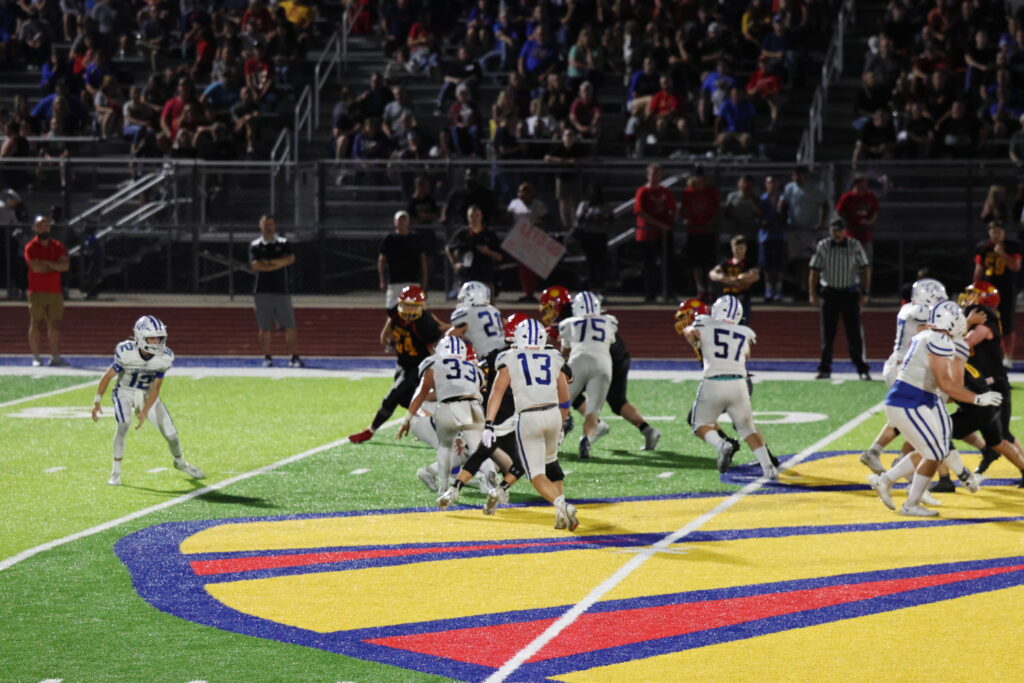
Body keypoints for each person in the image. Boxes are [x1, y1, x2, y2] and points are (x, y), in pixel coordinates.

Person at [867, 301, 996, 516]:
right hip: (909, 402)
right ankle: (910, 503)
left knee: (933, 450)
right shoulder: (940, 341)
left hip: (918, 400)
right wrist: (978, 399)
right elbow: (946, 385)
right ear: (950, 321)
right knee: (934, 452)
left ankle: (887, 481)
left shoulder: (928, 335)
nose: (962, 323)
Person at [484, 318, 579, 531]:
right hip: (553, 414)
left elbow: (496, 393)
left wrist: (488, 424)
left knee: (536, 474)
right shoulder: (554, 356)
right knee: (551, 464)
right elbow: (564, 396)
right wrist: (562, 423)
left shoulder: (509, 357)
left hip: (529, 417)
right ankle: (560, 512)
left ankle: (563, 506)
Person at [541, 286, 661, 451]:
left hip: (601, 357)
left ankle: (575, 424)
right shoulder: (598, 317)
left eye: (549, 307)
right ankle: (647, 429)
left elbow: (567, 346)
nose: (547, 312)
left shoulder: (570, 317)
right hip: (613, 358)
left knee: (566, 389)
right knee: (616, 401)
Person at [90, 316, 205, 486]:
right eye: (152, 338)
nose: (157, 342)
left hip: (147, 394)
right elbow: (108, 376)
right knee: (123, 424)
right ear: (140, 337)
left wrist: (144, 411)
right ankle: (116, 473)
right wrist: (97, 401)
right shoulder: (126, 352)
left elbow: (155, 389)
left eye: (159, 338)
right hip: (125, 391)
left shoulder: (164, 357)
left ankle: (180, 462)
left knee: (172, 435)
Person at [681, 294, 778, 479]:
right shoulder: (745, 331)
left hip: (714, 382)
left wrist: (692, 335)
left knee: (699, 424)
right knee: (748, 429)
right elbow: (747, 354)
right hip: (739, 383)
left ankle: (721, 444)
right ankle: (769, 469)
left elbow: (690, 332)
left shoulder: (704, 323)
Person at [860, 278, 947, 474]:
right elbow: (932, 328)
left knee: (909, 416)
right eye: (937, 299)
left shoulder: (908, 309)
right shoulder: (918, 313)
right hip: (904, 370)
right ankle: (902, 463)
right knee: (921, 417)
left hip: (902, 367)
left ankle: (876, 453)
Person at [348, 285, 447, 443]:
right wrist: (385, 336)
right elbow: (390, 323)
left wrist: (436, 372)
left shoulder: (425, 323)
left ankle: (370, 430)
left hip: (418, 365)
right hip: (402, 363)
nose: (409, 310)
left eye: (413, 306)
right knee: (405, 400)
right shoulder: (395, 312)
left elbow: (432, 351)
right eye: (406, 305)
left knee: (392, 397)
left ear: (421, 306)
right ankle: (432, 425)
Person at [397, 335, 486, 498]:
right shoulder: (436, 366)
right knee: (460, 447)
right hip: (425, 415)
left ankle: (445, 475)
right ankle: (443, 476)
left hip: (442, 414)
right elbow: (423, 394)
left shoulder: (456, 368)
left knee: (464, 445)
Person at [808, 218, 872, 380]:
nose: (837, 234)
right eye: (834, 230)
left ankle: (861, 368)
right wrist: (812, 293)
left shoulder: (854, 245)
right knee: (827, 334)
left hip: (849, 293)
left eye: (840, 230)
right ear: (830, 231)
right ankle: (825, 368)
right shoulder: (823, 245)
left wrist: (865, 292)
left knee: (854, 333)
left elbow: (865, 269)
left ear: (844, 231)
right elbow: (814, 270)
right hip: (829, 293)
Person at [559, 291, 617, 459]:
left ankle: (553, 437)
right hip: (603, 364)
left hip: (577, 362)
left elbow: (564, 351)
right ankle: (586, 439)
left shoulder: (568, 323)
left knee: (560, 403)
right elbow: (610, 340)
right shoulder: (609, 321)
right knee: (593, 410)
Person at [249, 214, 303, 368]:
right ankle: (267, 357)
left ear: (275, 226)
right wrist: (278, 264)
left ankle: (294, 356)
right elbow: (255, 265)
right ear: (260, 225)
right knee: (264, 326)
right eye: (265, 224)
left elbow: (290, 259)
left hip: (281, 290)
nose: (268, 227)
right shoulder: (255, 245)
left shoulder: (283, 243)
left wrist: (270, 263)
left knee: (289, 325)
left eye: (271, 224)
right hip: (262, 291)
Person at [973, 220, 1022, 365]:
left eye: (998, 231)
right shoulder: (983, 248)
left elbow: (1016, 267)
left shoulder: (1012, 246)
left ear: (1004, 233)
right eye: (993, 231)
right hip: (988, 291)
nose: (996, 234)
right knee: (987, 322)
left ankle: (1008, 357)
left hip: (1007, 289)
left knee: (1007, 324)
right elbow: (978, 270)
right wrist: (975, 288)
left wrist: (1002, 254)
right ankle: (991, 355)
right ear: (989, 232)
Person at [24, 215, 69, 367]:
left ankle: (55, 356)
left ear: (50, 228)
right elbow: (35, 268)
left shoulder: (57, 246)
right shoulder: (31, 247)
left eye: (46, 225)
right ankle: (36, 357)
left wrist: (46, 263)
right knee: (35, 323)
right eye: (40, 226)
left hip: (55, 291)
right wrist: (55, 265)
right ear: (34, 228)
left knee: (54, 324)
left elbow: (65, 266)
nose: (43, 229)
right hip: (36, 291)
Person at [779, 165, 829, 296]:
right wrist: (783, 221)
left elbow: (825, 205)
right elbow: (783, 204)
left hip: (809, 230)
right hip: (794, 229)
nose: (797, 177)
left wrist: (821, 223)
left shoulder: (814, 189)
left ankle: (808, 288)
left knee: (807, 260)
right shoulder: (789, 188)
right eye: (794, 174)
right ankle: (799, 287)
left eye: (799, 174)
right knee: (797, 260)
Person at [633, 163, 676, 302]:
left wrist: (669, 223)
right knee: (649, 265)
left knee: (667, 264)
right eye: (653, 174)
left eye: (658, 174)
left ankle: (668, 293)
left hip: (663, 234)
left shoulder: (665, 192)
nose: (655, 177)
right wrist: (660, 225)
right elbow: (640, 212)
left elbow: (673, 209)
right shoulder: (642, 191)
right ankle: (650, 294)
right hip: (647, 234)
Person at [679, 166, 721, 299]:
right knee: (696, 263)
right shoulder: (688, 192)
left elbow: (716, 208)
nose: (700, 179)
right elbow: (684, 210)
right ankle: (701, 289)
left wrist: (712, 220)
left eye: (702, 177)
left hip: (707, 230)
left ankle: (711, 289)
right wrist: (687, 219)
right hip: (694, 230)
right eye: (697, 177)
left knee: (709, 262)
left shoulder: (710, 191)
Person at [448, 280, 505, 376]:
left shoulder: (468, 312)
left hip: (490, 357)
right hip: (504, 351)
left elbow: (451, 335)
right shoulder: (493, 310)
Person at [445, 205, 503, 295]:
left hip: (485, 277)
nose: (474, 219)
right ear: (468, 218)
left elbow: (499, 257)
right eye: (471, 216)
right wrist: (455, 263)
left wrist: (488, 252)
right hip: (466, 277)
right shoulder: (463, 233)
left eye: (476, 216)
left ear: (481, 217)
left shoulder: (489, 234)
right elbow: (449, 248)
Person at [378, 210, 428, 309]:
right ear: (395, 222)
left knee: (414, 312)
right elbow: (381, 260)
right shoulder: (389, 239)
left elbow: (423, 260)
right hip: (395, 282)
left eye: (404, 220)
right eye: (399, 220)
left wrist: (424, 280)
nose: (402, 222)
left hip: (413, 281)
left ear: (408, 222)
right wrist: (382, 280)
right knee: (392, 311)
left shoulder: (416, 238)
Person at [709, 235, 760, 325]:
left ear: (745, 248)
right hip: (726, 297)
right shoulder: (726, 263)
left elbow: (755, 276)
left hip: (742, 298)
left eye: (741, 248)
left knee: (741, 323)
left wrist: (740, 278)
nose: (739, 251)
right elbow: (712, 274)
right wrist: (724, 278)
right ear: (732, 248)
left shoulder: (749, 264)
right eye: (736, 248)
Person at [834, 174, 880, 263]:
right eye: (863, 183)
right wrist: (845, 224)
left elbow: (875, 212)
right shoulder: (847, 197)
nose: (865, 185)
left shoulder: (870, 196)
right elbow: (838, 213)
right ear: (857, 184)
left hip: (866, 235)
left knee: (866, 262)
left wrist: (869, 222)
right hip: (851, 235)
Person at [758, 175, 785, 301]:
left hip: (779, 235)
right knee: (766, 265)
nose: (772, 185)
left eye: (774, 182)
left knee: (779, 264)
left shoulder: (782, 199)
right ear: (766, 184)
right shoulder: (761, 200)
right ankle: (768, 289)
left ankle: (778, 289)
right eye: (769, 183)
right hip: (765, 236)